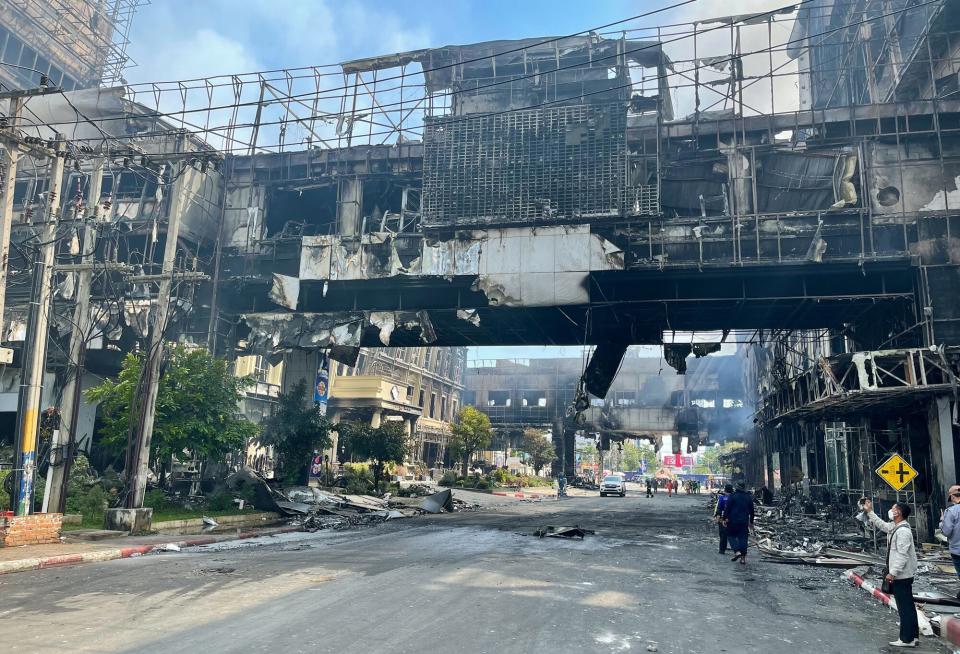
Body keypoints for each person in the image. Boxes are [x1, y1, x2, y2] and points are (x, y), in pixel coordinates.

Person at [862, 499, 919, 648]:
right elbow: (882, 525)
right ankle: (913, 636)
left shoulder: (903, 531)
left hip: (902, 575)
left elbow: (902, 555)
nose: (891, 510)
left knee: (904, 607)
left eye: (893, 508)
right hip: (901, 574)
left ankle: (906, 639)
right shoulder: (896, 527)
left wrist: (892, 573)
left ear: (898, 512)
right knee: (908, 606)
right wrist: (869, 512)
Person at [723, 481, 755, 565]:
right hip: (744, 521)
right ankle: (743, 559)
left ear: (736, 486)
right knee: (743, 538)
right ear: (744, 487)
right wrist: (751, 522)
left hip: (733, 521)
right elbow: (752, 511)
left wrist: (724, 518)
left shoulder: (732, 496)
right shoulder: (748, 497)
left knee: (731, 536)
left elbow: (727, 508)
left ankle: (737, 551)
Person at [939, 485, 960, 597]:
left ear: (952, 497)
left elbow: (946, 532)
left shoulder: (951, 511)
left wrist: (942, 521)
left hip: (957, 550)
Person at [715, 484, 733, 554]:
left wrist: (717, 517)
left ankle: (722, 550)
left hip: (723, 518)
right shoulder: (734, 497)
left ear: (725, 489)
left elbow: (719, 509)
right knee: (733, 534)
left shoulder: (722, 498)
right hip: (733, 518)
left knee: (723, 534)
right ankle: (737, 550)